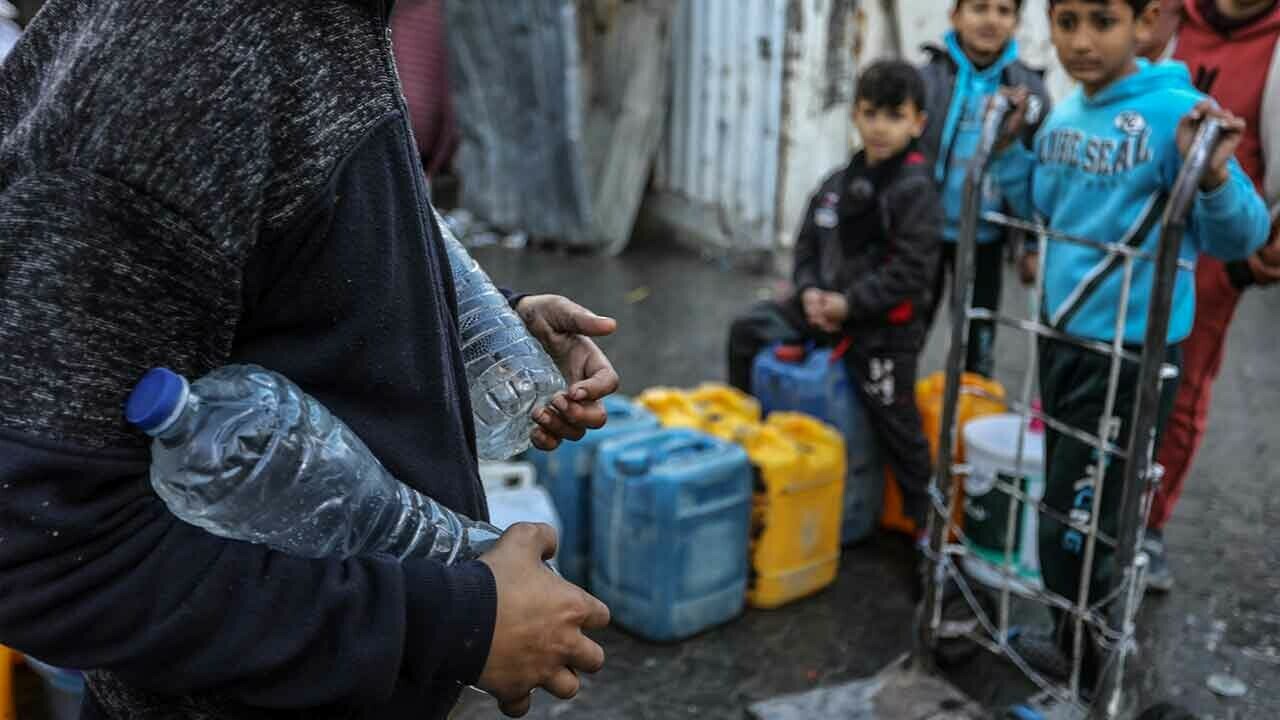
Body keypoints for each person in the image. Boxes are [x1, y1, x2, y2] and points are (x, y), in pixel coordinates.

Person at [0, 2, 619, 719]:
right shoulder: (187, 53)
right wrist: (453, 623)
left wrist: (472, 324)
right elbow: (39, 552)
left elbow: (279, 240)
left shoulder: (327, 18)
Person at [992, 0, 1270, 691]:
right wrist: (1014, 149)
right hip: (1063, 343)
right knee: (1064, 510)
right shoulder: (1063, 115)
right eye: (1067, 22)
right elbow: (1042, 207)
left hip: (1129, 357)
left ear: (1143, 24)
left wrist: (1209, 177)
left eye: (1102, 21)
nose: (1081, 41)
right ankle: (1078, 646)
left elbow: (1244, 235)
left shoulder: (1177, 112)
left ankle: (1105, 671)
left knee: (1080, 526)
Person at [727, 59, 943, 532]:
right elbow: (805, 247)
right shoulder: (835, 184)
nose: (880, 127)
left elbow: (911, 270)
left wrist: (850, 304)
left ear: (917, 123)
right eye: (871, 114)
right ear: (856, 115)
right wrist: (808, 294)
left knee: (899, 427)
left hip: (882, 329)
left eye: (894, 116)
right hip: (819, 310)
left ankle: (930, 539)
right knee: (747, 331)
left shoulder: (916, 191)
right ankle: (754, 463)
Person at [1135, 0, 1280, 593]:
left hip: (1219, 248)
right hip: (1132, 226)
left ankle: (1147, 522)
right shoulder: (1171, 14)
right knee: (1099, 360)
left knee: (1182, 380)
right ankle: (1078, 507)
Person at [920, 0, 1052, 378]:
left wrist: (1029, 245)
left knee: (979, 337)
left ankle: (969, 417)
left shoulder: (1031, 90)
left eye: (1003, 10)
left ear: (1016, 22)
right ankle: (900, 419)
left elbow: (1038, 176)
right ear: (955, 16)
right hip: (927, 232)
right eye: (979, 7)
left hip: (986, 237)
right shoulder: (928, 80)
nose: (991, 20)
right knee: (909, 329)